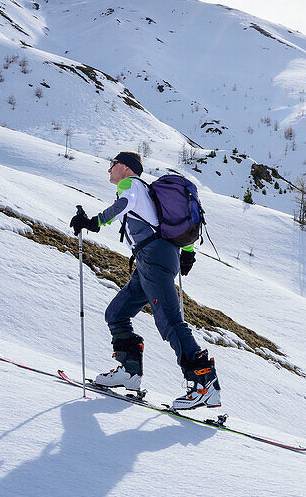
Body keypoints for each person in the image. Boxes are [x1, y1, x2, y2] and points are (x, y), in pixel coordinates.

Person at [70, 150, 221, 411]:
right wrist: (186, 255)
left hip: (154, 258)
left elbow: (123, 205)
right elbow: (174, 228)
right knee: (116, 313)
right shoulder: (146, 192)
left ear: (125, 168)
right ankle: (129, 373)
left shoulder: (132, 185)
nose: (109, 169)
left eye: (112, 164)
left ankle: (204, 384)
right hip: (154, 259)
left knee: (171, 321)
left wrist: (93, 222)